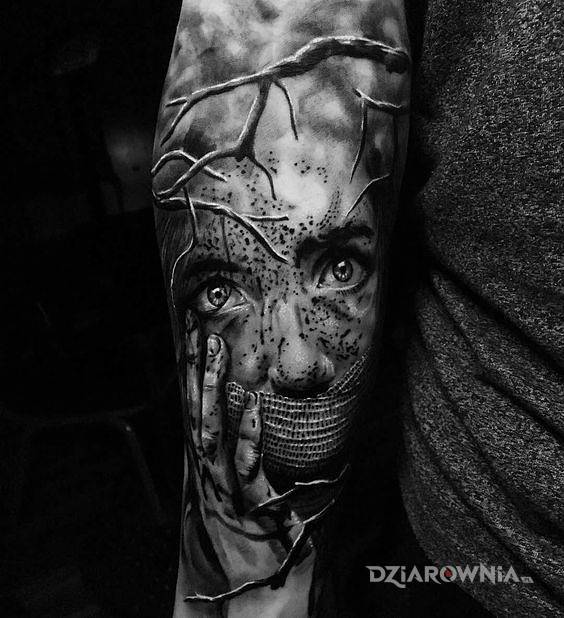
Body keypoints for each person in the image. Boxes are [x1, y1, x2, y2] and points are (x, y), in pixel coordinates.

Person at [152, 0, 563, 616]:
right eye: (222, 293)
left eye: (337, 271)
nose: (298, 364)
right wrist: (255, 577)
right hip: (480, 558)